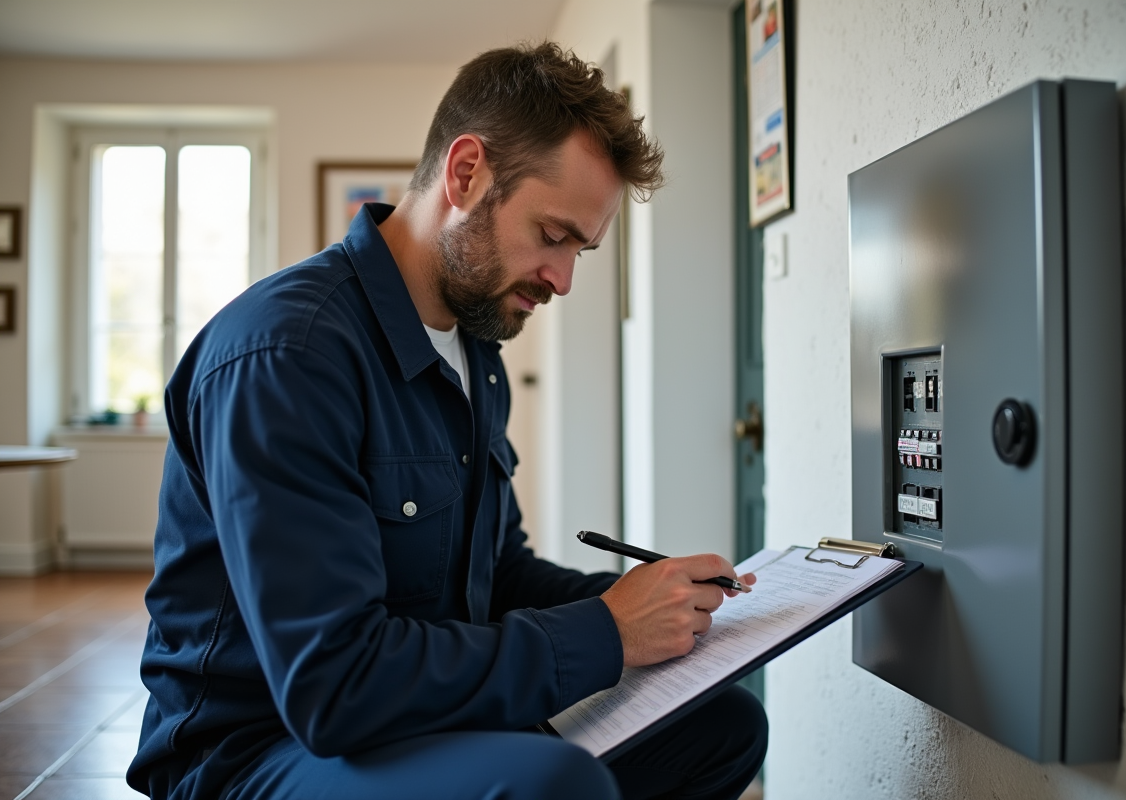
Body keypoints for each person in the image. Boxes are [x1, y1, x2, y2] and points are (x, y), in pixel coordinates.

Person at [128, 42, 767, 800]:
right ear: (466, 174)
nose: (562, 280)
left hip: (411, 716)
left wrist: (655, 603)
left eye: (582, 252)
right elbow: (334, 686)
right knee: (554, 784)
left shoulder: (473, 348)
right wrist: (607, 632)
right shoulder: (289, 354)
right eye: (554, 235)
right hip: (256, 749)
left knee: (723, 724)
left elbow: (494, 576)